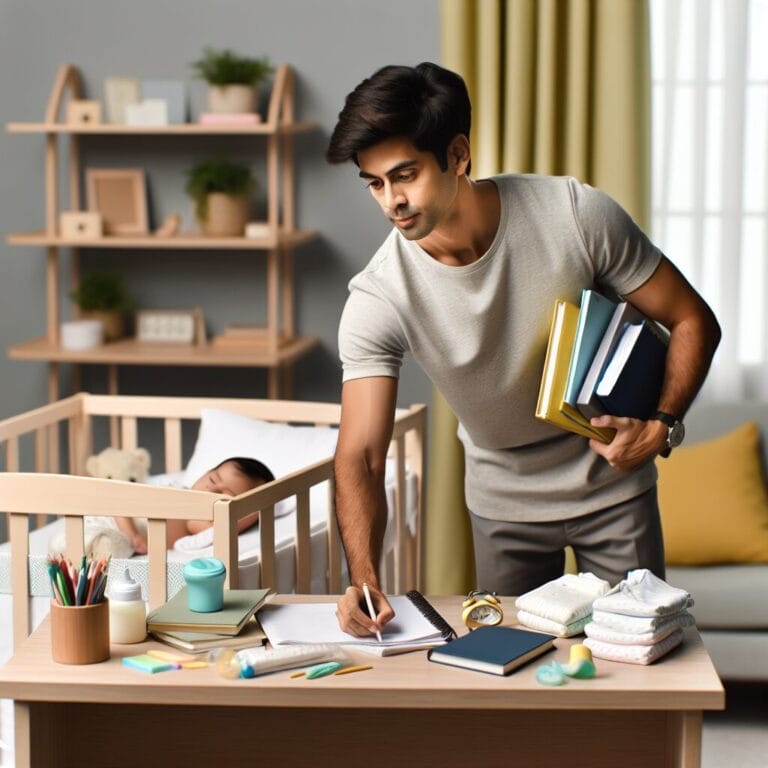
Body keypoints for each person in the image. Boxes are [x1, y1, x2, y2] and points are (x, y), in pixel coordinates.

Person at [325, 62, 721, 638]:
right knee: (514, 681)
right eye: (375, 183)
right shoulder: (378, 295)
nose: (392, 201)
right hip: (500, 507)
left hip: (613, 487)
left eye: (404, 174)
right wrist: (362, 576)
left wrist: (663, 425)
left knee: (639, 675)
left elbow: (692, 318)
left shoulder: (576, 215)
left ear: (457, 154)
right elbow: (359, 453)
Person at [114, 457, 276, 554]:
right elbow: (124, 500)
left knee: (112, 542)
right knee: (118, 501)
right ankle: (130, 535)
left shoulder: (200, 520)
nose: (211, 489)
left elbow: (224, 529)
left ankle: (130, 537)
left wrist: (254, 510)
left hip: (129, 537)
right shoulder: (176, 490)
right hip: (124, 517)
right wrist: (132, 534)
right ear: (205, 473)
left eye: (224, 495)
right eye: (212, 479)